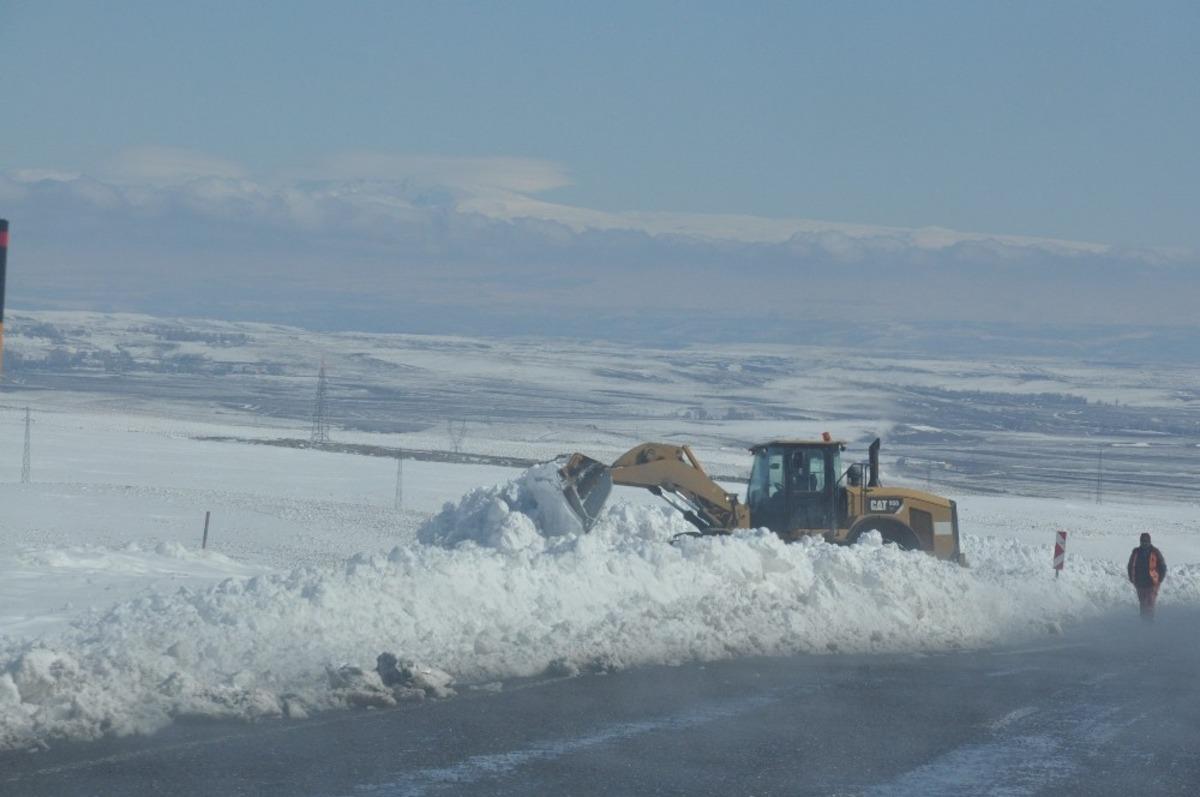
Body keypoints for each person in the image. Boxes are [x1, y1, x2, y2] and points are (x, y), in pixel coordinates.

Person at [1127, 533, 1167, 621]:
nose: (1144, 543)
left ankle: (1150, 621)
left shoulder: (1155, 551)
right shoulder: (1136, 552)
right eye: (1142, 541)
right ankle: (1143, 620)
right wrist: (1132, 578)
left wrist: (1159, 579)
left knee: (1150, 603)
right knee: (1143, 603)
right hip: (1140, 582)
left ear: (1149, 541)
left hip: (1152, 582)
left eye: (1146, 541)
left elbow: (1162, 566)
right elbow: (1130, 565)